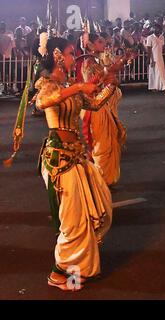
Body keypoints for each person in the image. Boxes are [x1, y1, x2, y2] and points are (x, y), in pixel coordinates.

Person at [34, 36, 114, 290]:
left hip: (76, 157)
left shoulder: (69, 84)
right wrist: (79, 88)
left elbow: (96, 104)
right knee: (73, 220)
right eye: (70, 53)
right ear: (58, 57)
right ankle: (61, 273)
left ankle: (83, 267)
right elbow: (43, 102)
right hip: (59, 160)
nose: (74, 57)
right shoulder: (47, 85)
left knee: (96, 206)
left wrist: (110, 85)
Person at [80, 33, 128, 186]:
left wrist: (115, 69)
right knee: (102, 144)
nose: (104, 45)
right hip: (96, 107)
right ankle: (100, 179)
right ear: (91, 45)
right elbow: (92, 86)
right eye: (100, 42)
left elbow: (108, 78)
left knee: (110, 140)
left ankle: (106, 178)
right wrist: (108, 74)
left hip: (104, 105)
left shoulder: (97, 61)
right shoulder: (88, 63)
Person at [146, 24, 165, 91]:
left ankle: (162, 86)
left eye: (159, 28)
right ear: (153, 29)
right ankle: (154, 87)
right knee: (153, 72)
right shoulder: (150, 37)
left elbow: (162, 47)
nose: (158, 30)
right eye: (156, 28)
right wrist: (149, 58)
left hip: (160, 57)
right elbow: (149, 49)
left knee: (161, 71)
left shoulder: (162, 37)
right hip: (153, 57)